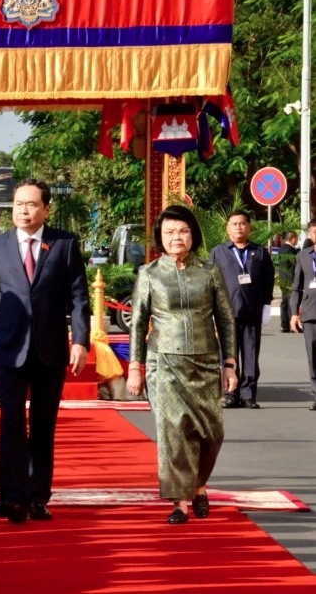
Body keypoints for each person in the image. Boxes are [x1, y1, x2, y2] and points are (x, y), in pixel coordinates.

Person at [0, 178, 90, 524]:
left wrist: (80, 340)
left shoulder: (64, 244)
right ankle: (11, 497)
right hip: (8, 350)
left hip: (50, 349)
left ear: (46, 209)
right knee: (10, 422)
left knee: (42, 425)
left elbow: (79, 297)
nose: (23, 210)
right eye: (18, 204)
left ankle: (37, 496)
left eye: (31, 204)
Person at [127, 205, 237, 524]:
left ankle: (198, 485)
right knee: (173, 432)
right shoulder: (149, 274)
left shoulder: (209, 272)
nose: (177, 237)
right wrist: (135, 366)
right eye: (170, 232)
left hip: (205, 362)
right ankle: (179, 503)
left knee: (212, 433)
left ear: (193, 235)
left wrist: (229, 363)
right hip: (164, 363)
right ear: (160, 238)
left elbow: (227, 320)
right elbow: (137, 323)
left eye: (183, 231)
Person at [209, 210, 275, 409]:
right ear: (227, 228)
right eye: (234, 224)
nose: (239, 227)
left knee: (250, 355)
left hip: (251, 312)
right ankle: (230, 393)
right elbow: (211, 282)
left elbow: (268, 280)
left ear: (249, 227)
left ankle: (248, 394)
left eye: (242, 223)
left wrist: (265, 305)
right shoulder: (218, 252)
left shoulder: (260, 252)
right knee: (228, 356)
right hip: (225, 314)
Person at [289, 219, 316, 411]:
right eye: (314, 232)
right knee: (313, 355)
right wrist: (293, 314)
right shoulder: (303, 256)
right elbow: (296, 287)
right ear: (310, 234)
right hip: (310, 311)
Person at [278, 231, 299, 332]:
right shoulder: (291, 250)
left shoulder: (281, 249)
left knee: (285, 302)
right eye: (297, 238)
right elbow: (294, 265)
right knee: (292, 302)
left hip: (282, 279)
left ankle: (284, 325)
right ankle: (292, 325)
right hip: (291, 279)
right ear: (293, 238)